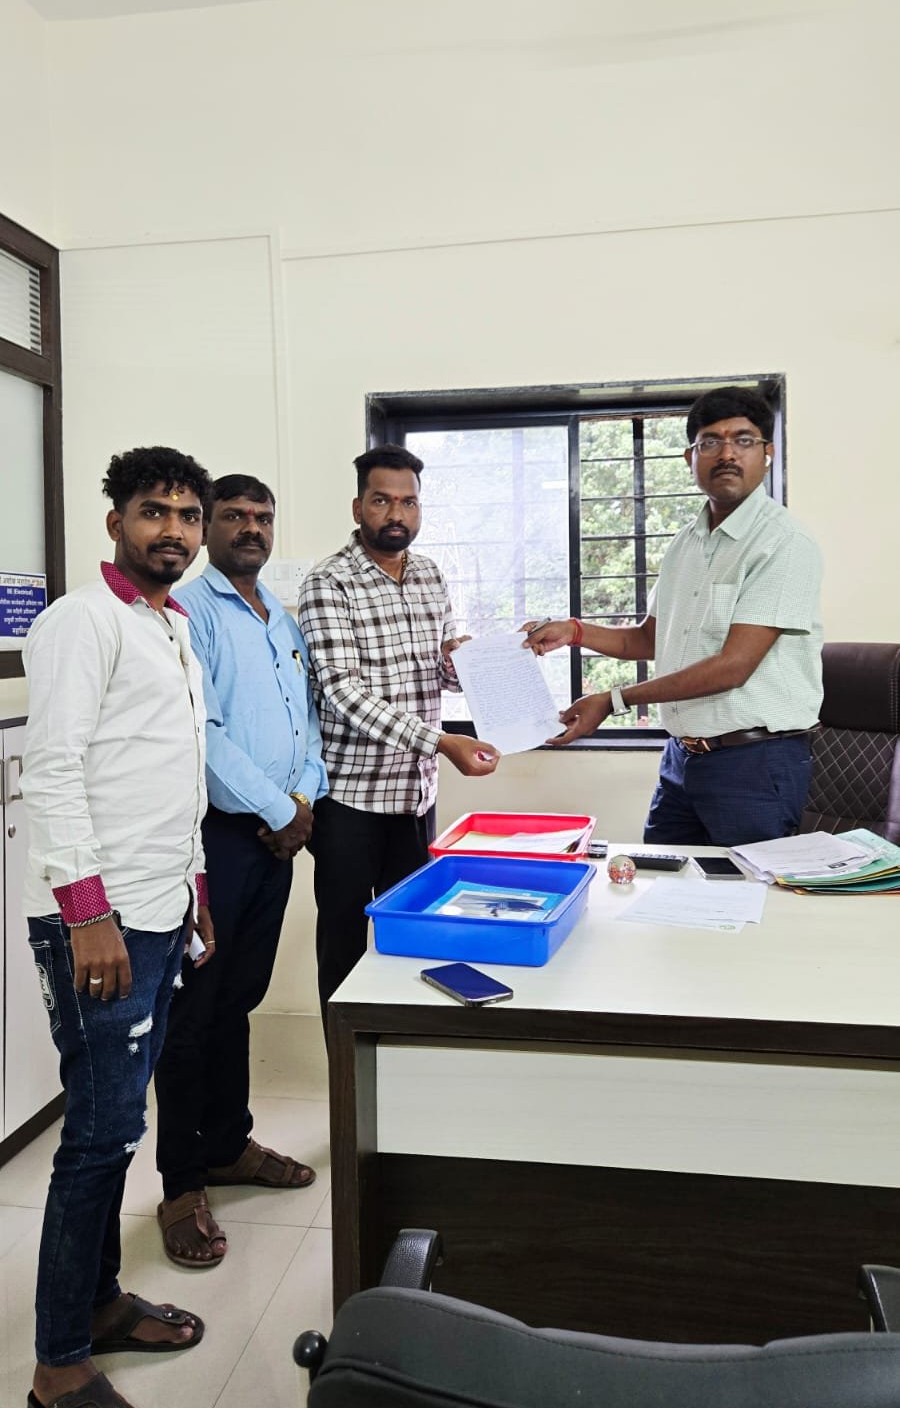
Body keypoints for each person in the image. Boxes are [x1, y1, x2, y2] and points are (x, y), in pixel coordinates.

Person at [20, 446, 214, 1408]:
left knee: (120, 1127)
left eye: (187, 514)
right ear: (116, 523)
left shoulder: (170, 625)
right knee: (97, 1139)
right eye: (154, 511)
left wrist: (196, 885)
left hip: (158, 906)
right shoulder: (81, 620)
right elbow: (49, 771)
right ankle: (58, 1369)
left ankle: (97, 1305)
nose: (172, 529)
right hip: (101, 923)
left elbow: (171, 771)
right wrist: (89, 913)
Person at [154, 474, 328, 1268]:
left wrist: (303, 800)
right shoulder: (190, 614)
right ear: (208, 528)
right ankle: (181, 1182)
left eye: (262, 516)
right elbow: (205, 737)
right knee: (194, 1010)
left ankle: (227, 1145)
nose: (251, 527)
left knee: (239, 999)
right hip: (217, 839)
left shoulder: (279, 618)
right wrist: (276, 808)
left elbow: (307, 726)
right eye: (233, 516)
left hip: (275, 837)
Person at [524, 388, 823, 847]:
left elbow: (733, 666)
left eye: (743, 440)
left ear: (767, 454)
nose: (727, 454)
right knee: (661, 882)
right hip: (682, 760)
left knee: (749, 892)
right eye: (711, 442)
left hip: (755, 763)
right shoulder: (686, 543)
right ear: (690, 458)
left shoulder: (783, 543)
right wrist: (575, 631)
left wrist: (614, 700)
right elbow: (649, 639)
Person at [299, 444, 500, 1017]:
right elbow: (343, 693)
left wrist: (463, 661)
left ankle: (401, 1049)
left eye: (409, 502)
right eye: (382, 501)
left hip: (416, 796)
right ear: (358, 507)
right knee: (343, 942)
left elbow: (439, 671)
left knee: (413, 938)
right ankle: (345, 1059)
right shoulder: (328, 582)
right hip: (351, 801)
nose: (397, 514)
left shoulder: (431, 574)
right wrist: (442, 742)